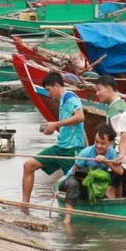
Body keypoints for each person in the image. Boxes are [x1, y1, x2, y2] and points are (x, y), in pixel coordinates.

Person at [21, 71, 85, 209]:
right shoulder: (62, 100)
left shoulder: (69, 97)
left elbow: (80, 117)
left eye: (49, 90)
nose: (48, 94)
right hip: (60, 148)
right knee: (28, 166)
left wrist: (56, 124)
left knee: (77, 185)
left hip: (71, 150)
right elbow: (81, 127)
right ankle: (24, 205)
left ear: (56, 86)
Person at [59, 123, 123, 228]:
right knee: (73, 185)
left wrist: (106, 162)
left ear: (110, 143)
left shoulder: (111, 154)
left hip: (94, 182)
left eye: (102, 143)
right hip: (77, 179)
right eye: (96, 142)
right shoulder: (86, 153)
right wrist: (87, 176)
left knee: (104, 193)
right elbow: (74, 172)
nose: (98, 146)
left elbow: (120, 172)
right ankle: (67, 219)